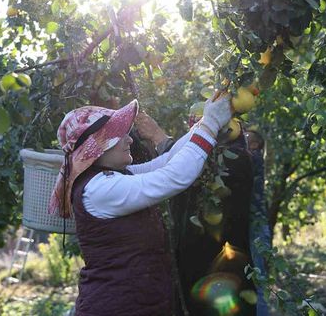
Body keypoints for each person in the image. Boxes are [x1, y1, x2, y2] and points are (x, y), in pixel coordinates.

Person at [48, 95, 232, 316]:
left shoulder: (113, 177)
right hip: (115, 308)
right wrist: (210, 125)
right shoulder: (98, 190)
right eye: (119, 135)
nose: (130, 140)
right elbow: (173, 177)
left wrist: (205, 122)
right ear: (98, 147)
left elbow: (168, 162)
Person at [246, 129, 272, 316]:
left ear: (255, 145)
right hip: (255, 226)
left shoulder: (253, 158)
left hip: (256, 228)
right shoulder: (252, 158)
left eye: (246, 137)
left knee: (259, 282)